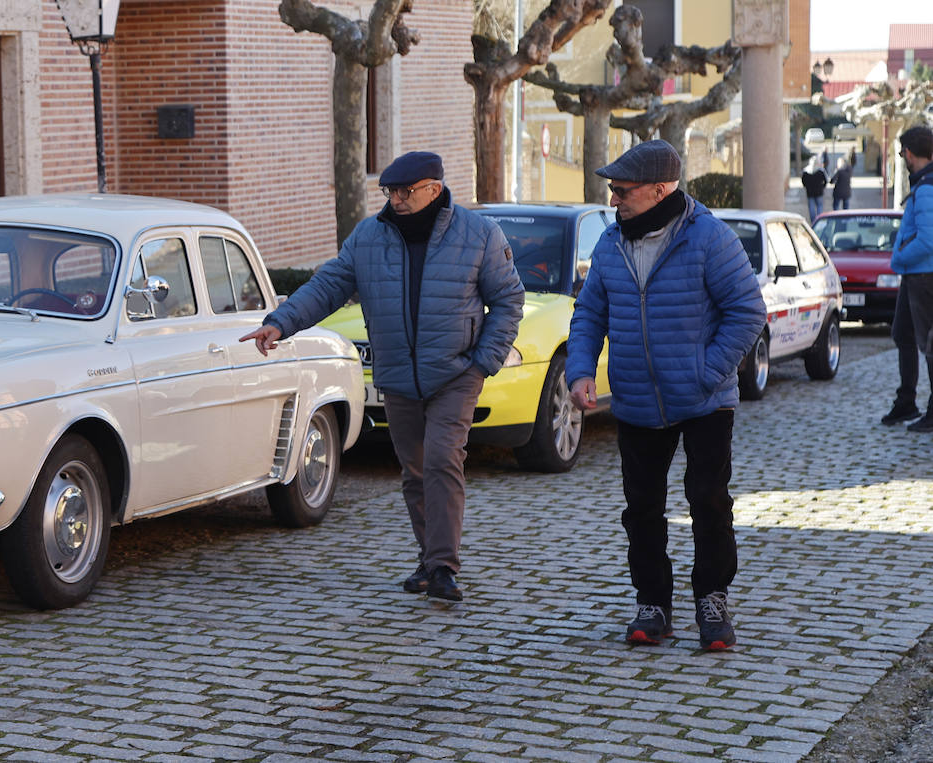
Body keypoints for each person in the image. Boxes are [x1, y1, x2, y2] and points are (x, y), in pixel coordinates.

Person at [239, 151, 524, 602]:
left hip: (456, 372)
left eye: (405, 192)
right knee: (414, 470)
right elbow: (328, 284)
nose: (396, 200)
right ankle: (429, 560)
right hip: (396, 375)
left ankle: (444, 567)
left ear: (434, 187)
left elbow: (509, 300)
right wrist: (282, 321)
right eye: (390, 191)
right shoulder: (370, 236)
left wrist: (482, 362)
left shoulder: (478, 234)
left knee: (442, 461)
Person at [565, 139, 765, 651]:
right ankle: (652, 603)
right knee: (642, 508)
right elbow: (589, 314)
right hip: (635, 399)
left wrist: (708, 371)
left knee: (708, 501)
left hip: (704, 400)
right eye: (612, 190)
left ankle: (713, 602)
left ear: (660, 190)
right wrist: (581, 371)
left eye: (622, 191)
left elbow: (747, 312)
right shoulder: (611, 245)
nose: (613, 200)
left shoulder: (709, 238)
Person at [885, 126, 933, 432]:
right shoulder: (923, 185)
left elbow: (929, 240)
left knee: (929, 345)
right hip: (914, 275)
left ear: (909, 154)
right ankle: (906, 401)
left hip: (923, 275)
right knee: (902, 334)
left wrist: (898, 257)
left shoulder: (927, 187)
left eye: (903, 153)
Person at [801, 156, 828, 222]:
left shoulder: (806, 171)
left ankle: (813, 221)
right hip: (819, 192)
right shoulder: (820, 171)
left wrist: (807, 187)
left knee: (811, 207)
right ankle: (819, 220)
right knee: (819, 206)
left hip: (810, 192)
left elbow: (803, 181)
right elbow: (826, 180)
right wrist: (823, 187)